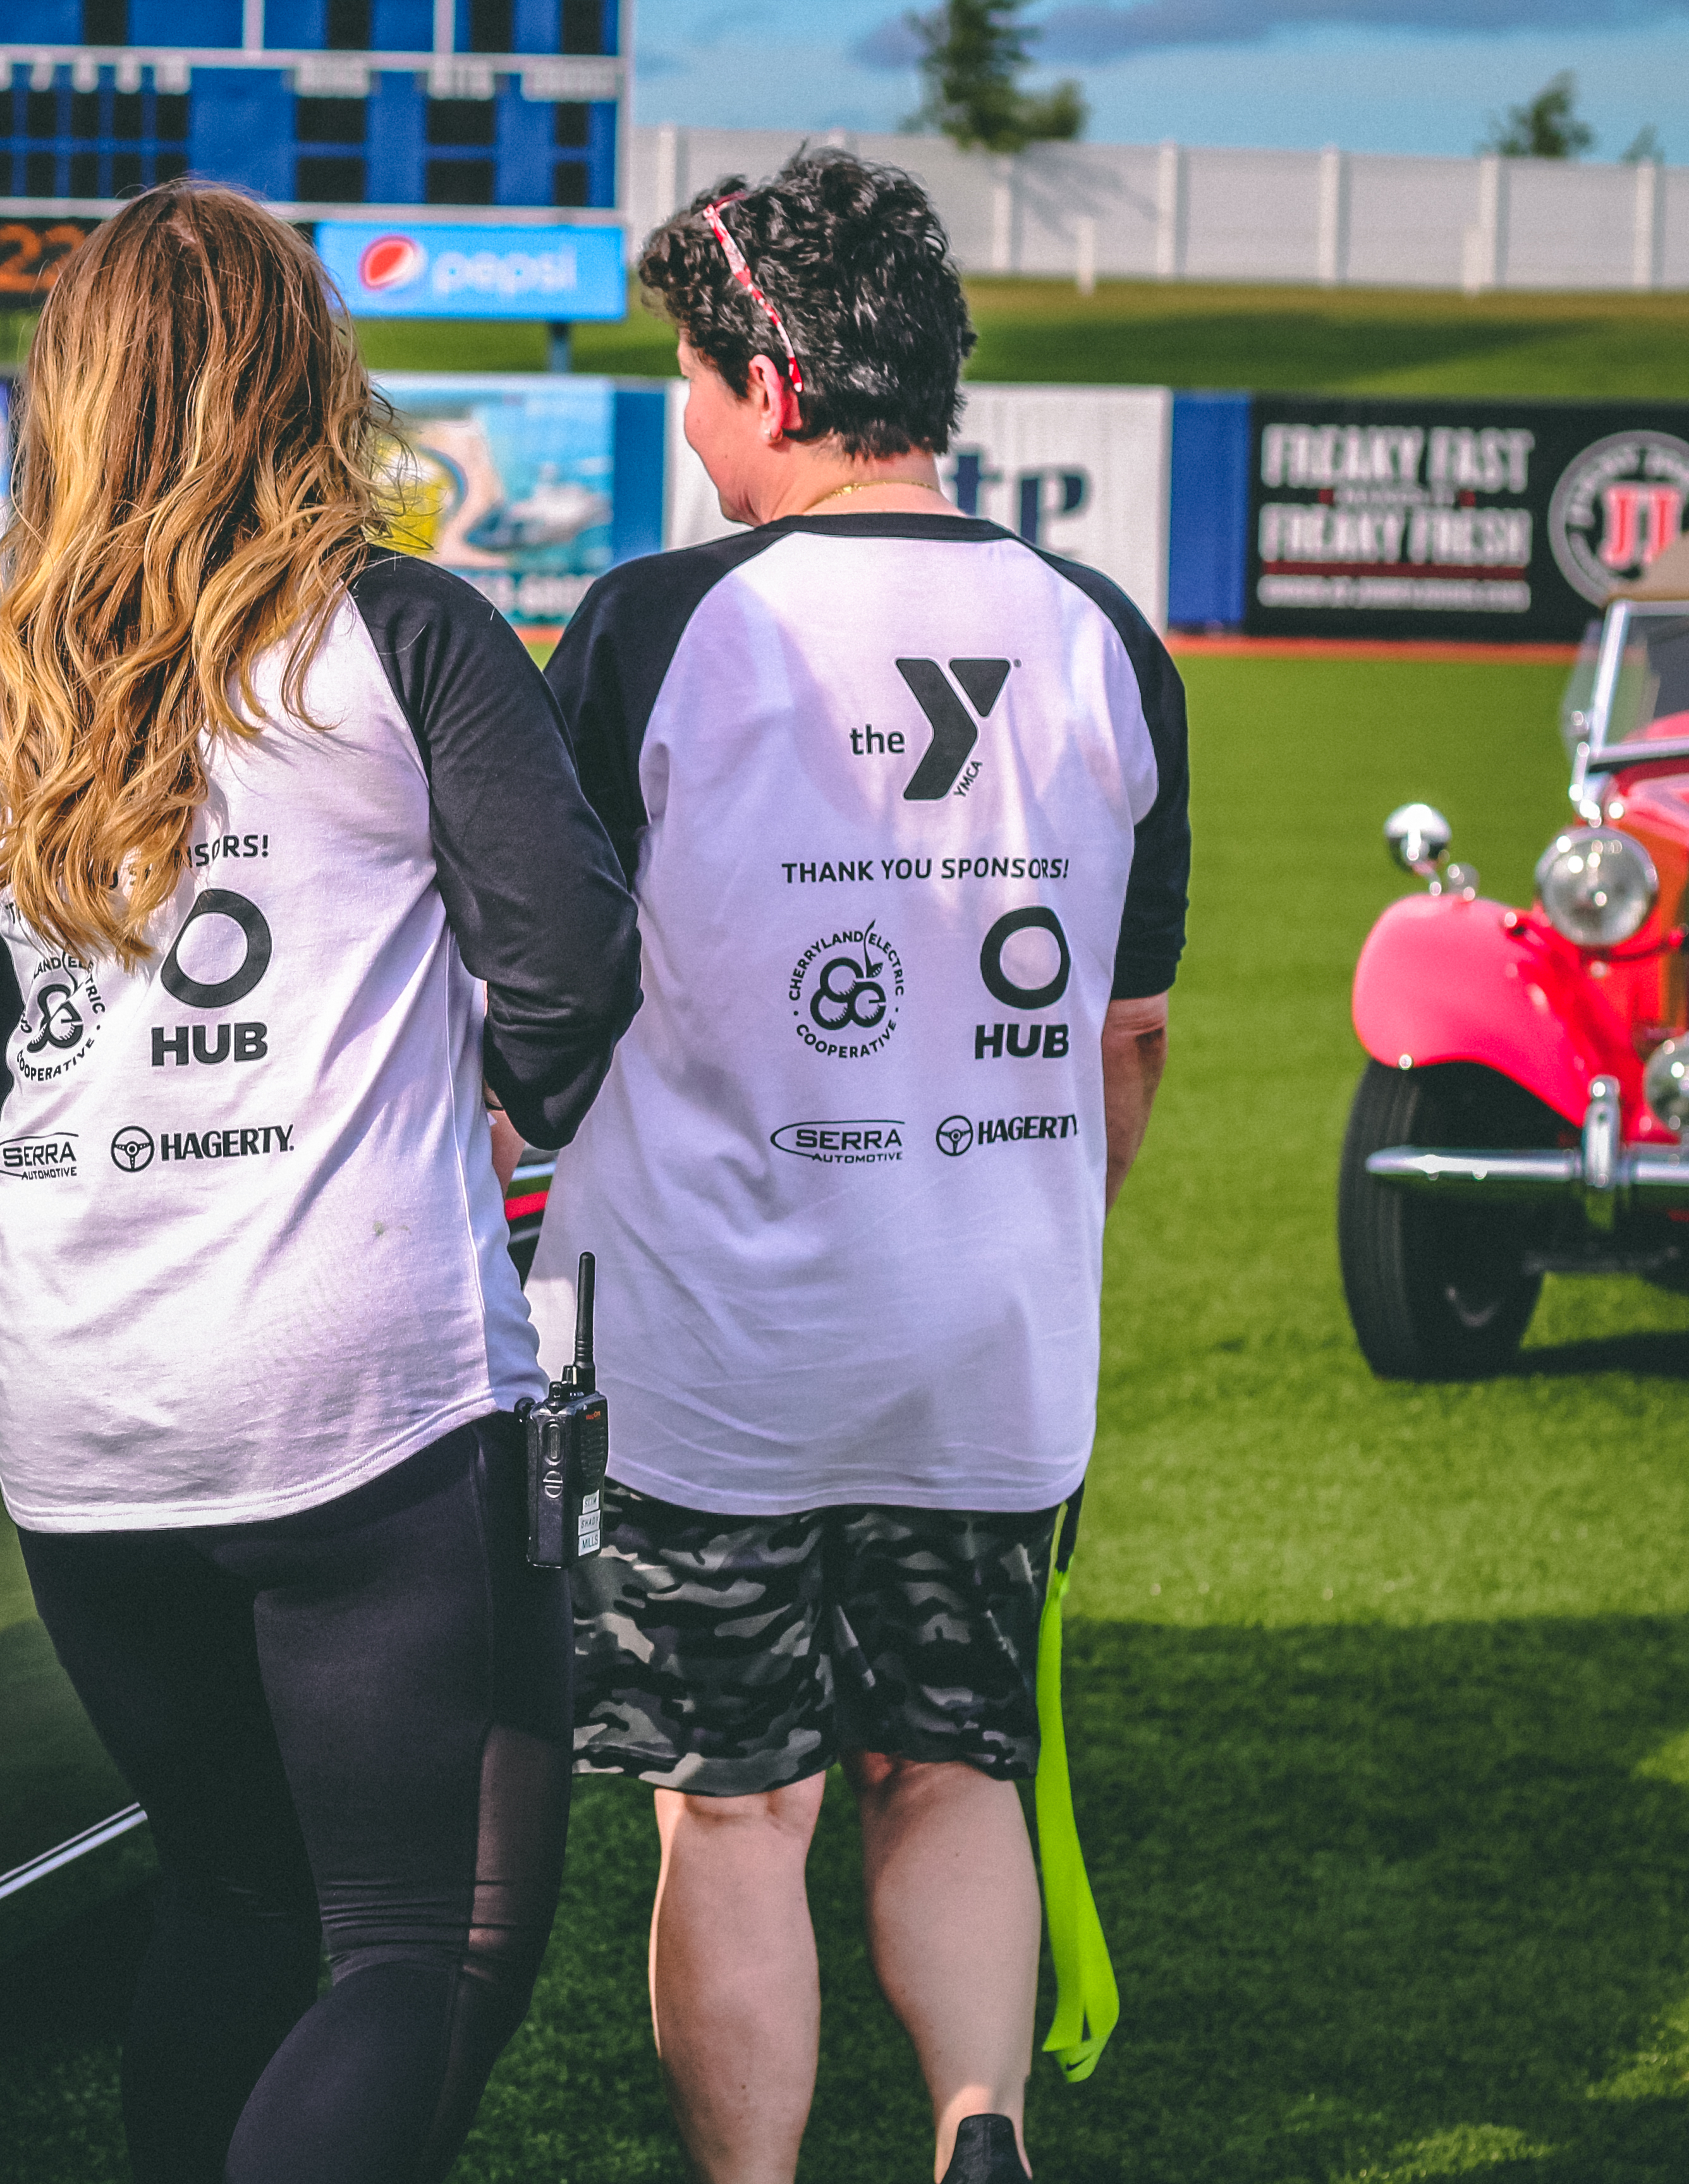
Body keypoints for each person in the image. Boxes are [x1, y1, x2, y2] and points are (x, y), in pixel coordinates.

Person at [0, 179, 642, 2184]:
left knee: (227, 1896)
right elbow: (568, 961)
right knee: (402, 1944)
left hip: (79, 1402)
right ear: (303, 376)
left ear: (78, 398)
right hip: (343, 1389)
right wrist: (505, 1099)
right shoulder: (404, 631)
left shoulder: (2, 681)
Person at [529, 148, 1187, 2184]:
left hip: (723, 1351)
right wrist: (1013, 1229)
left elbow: (551, 995)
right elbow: (1128, 1044)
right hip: (991, 1337)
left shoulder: (656, 624)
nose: (694, 425)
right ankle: (976, 2130)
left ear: (782, 377)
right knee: (951, 1767)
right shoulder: (1101, 634)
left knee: (738, 1807)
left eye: (700, 382)